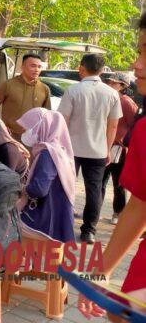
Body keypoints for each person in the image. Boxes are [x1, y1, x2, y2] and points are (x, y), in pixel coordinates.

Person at [78, 13, 146, 320]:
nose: (137, 65)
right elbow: (140, 205)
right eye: (140, 52)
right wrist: (100, 272)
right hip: (103, 152)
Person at [57, 54, 122, 244]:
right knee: (94, 190)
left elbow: (63, 120)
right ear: (102, 71)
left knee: (66, 187)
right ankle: (89, 231)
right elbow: (113, 126)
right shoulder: (111, 94)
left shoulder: (73, 90)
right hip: (98, 151)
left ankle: (63, 226)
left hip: (71, 149)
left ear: (81, 68)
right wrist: (108, 149)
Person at [16, 108, 76, 242]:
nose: (24, 132)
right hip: (59, 215)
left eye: (28, 128)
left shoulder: (47, 154)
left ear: (42, 127)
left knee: (7, 224)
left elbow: (39, 189)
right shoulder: (59, 150)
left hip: (45, 218)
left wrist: (23, 188)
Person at [101, 72, 138, 225]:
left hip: (119, 149)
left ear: (123, 86)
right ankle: (93, 211)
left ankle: (118, 212)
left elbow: (134, 124)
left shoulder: (127, 102)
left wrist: (123, 139)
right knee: (99, 182)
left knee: (118, 183)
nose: (110, 84)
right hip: (103, 145)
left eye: (114, 83)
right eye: (109, 82)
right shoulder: (108, 98)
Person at [0, 54, 51, 141]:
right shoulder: (9, 85)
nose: (37, 70)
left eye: (39, 67)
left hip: (34, 139)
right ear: (22, 67)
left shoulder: (44, 89)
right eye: (33, 66)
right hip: (9, 136)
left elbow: (47, 114)